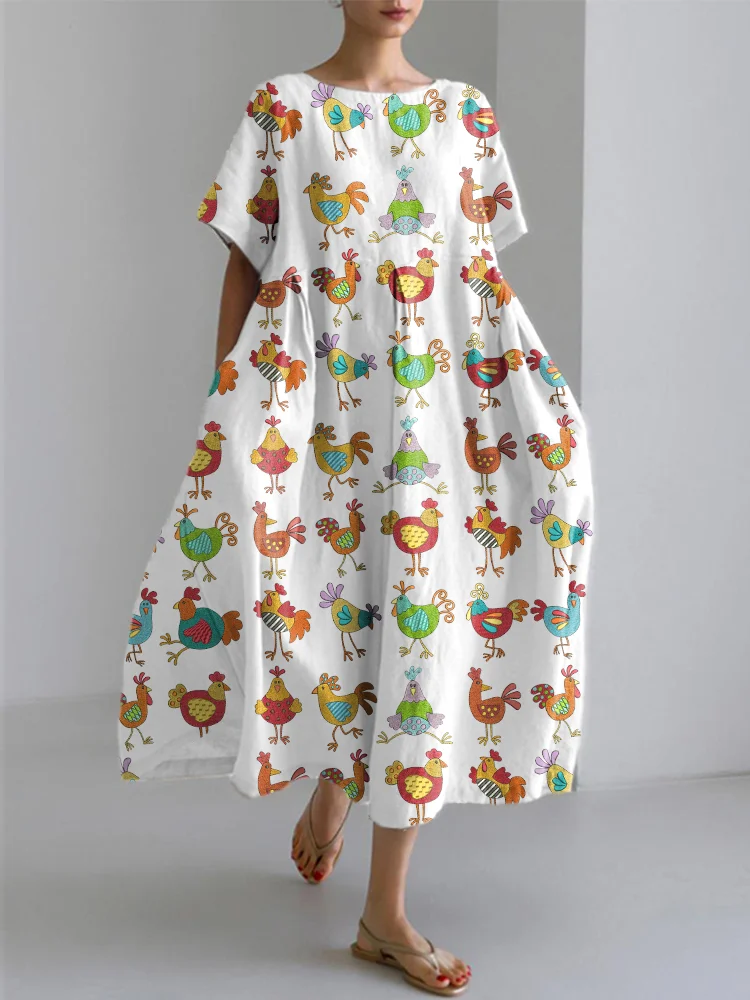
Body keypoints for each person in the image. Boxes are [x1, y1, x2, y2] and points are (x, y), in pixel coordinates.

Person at [119, 1, 594, 994]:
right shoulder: (283, 108)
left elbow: (476, 275)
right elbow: (246, 263)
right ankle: (339, 775)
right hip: (317, 402)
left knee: (421, 624)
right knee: (329, 607)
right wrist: (229, 406)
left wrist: (532, 410)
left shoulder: (466, 113)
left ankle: (385, 911)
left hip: (436, 413)